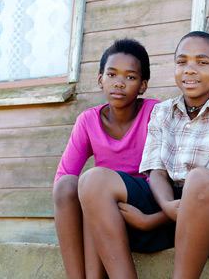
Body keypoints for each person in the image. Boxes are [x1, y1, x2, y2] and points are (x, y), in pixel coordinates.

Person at [77, 31, 209, 279]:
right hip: (173, 208)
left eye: (202, 62)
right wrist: (166, 206)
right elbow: (157, 171)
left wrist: (150, 220)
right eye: (182, 61)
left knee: (199, 180)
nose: (189, 70)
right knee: (93, 180)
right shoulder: (163, 111)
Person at [52, 38, 159, 278]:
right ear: (101, 80)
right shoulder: (88, 121)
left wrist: (153, 217)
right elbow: (63, 177)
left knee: (94, 185)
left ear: (142, 85)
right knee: (66, 185)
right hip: (101, 200)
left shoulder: (155, 113)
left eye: (130, 77)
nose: (119, 83)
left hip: (145, 200)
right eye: (111, 75)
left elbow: (169, 174)